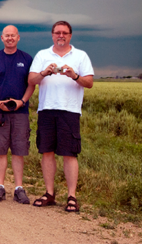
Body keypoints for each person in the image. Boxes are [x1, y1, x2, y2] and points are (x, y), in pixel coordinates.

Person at [28, 21, 94, 212]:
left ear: (70, 36)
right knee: (46, 151)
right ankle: (49, 193)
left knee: (69, 153)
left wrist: (74, 76)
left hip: (70, 110)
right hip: (47, 109)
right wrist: (44, 72)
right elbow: (31, 80)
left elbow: (89, 82)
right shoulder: (42, 55)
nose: (61, 35)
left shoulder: (81, 56)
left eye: (65, 33)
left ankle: (72, 196)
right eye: (57, 32)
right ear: (52, 35)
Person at [0, 25, 35, 204]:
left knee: (19, 150)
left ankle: (19, 188)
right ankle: (0, 186)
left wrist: (22, 101)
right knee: (0, 149)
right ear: (2, 38)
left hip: (20, 111)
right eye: (7, 36)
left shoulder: (27, 58)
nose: (10, 38)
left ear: (18, 38)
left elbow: (31, 84)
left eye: (13, 36)